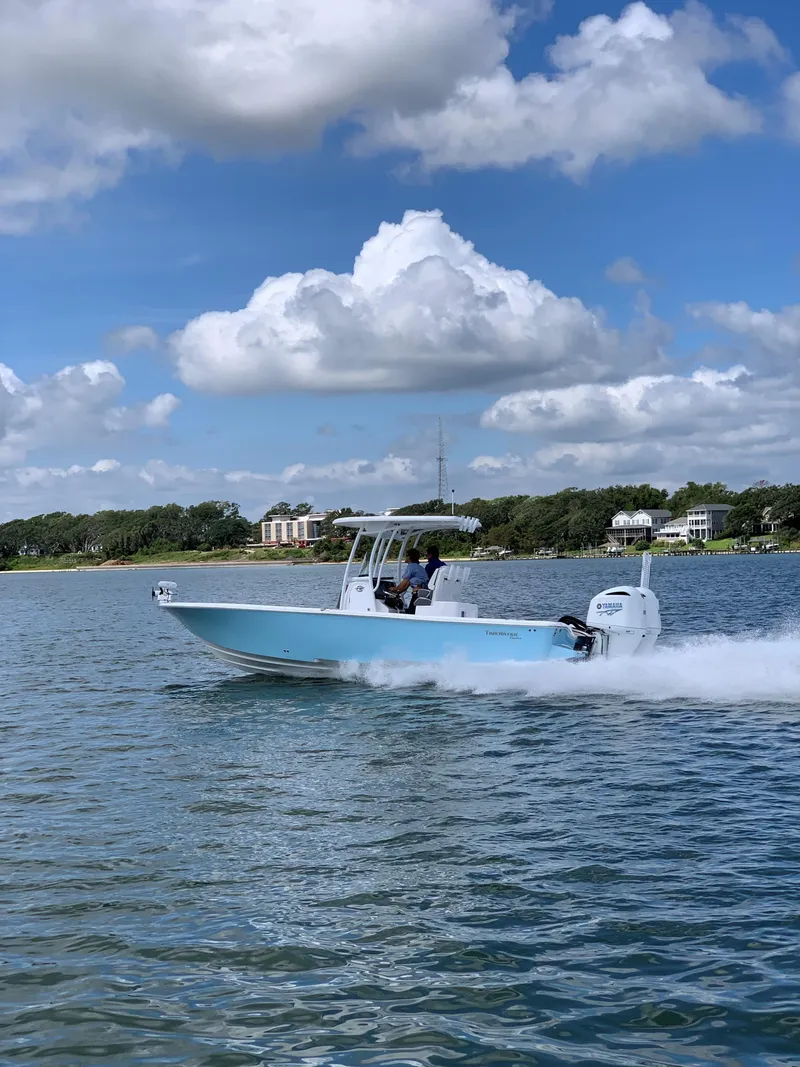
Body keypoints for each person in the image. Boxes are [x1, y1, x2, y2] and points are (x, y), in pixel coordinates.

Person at [389, 548, 428, 612]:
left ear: (409, 557)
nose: (405, 558)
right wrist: (397, 592)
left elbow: (403, 583)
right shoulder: (418, 567)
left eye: (406, 556)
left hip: (418, 592)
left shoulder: (411, 566)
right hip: (422, 592)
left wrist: (393, 589)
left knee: (411, 612)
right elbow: (406, 586)